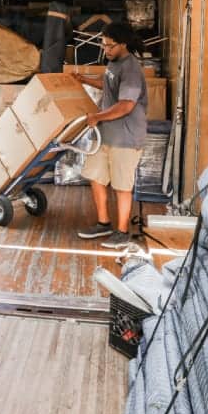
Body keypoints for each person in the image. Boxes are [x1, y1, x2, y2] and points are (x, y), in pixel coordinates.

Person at [73, 22, 147, 248]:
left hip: (125, 138)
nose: (105, 50)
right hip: (106, 136)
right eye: (103, 45)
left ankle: (122, 231)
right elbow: (109, 86)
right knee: (96, 178)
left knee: (122, 186)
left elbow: (126, 105)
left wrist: (97, 117)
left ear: (123, 44)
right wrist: (85, 80)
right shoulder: (114, 63)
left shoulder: (131, 69)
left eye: (109, 46)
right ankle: (103, 223)